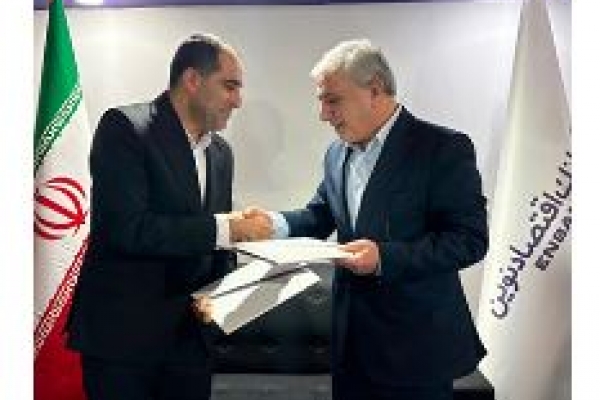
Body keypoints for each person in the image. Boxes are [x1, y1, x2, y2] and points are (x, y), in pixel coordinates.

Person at [247, 39, 489, 400]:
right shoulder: (335, 153)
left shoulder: (442, 148)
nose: (323, 115)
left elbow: (469, 241)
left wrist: (383, 258)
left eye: (332, 100)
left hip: (414, 352)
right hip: (350, 349)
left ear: (374, 90)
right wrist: (271, 223)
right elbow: (320, 215)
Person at [66, 33, 272, 400]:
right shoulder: (124, 127)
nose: (238, 101)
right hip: (123, 342)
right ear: (192, 80)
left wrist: (223, 292)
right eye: (229, 86)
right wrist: (228, 228)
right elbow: (127, 229)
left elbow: (216, 244)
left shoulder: (221, 153)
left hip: (191, 343)